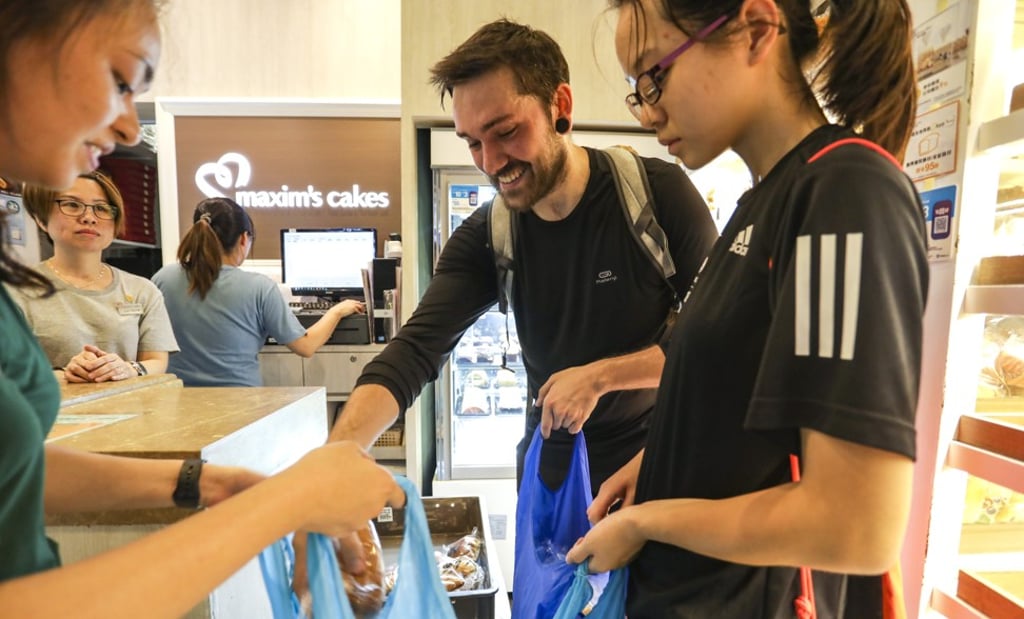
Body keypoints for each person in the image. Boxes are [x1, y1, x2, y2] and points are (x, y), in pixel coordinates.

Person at [0, 1, 401, 616]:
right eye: (120, 78)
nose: (132, 127)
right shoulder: (251, 291)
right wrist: (283, 503)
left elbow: (17, 470)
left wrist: (203, 480)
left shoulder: (153, 280)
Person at [565, 1, 928, 617]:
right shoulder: (762, 203)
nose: (649, 110)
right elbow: (753, 417)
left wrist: (648, 522)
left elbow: (854, 523)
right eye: (637, 90)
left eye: (655, 75)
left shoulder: (842, 193)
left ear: (756, 31)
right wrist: (653, 468)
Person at [328, 18, 718, 495]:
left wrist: (599, 377)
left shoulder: (656, 197)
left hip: (655, 462)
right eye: (472, 142)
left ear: (562, 107)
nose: (491, 162)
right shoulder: (488, 235)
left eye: (506, 131)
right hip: (549, 471)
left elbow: (719, 341)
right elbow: (415, 349)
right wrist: (340, 455)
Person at [152, 197, 365, 387]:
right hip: (242, 407)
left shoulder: (163, 278)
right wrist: (336, 311)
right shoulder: (259, 288)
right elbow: (306, 346)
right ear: (244, 238)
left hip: (179, 404)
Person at [10, 170, 179, 382]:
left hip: (132, 411)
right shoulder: (15, 291)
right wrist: (64, 375)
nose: (89, 218)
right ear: (41, 219)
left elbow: (156, 361)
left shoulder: (142, 290)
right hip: (49, 412)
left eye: (101, 208)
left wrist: (127, 369)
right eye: (72, 205)